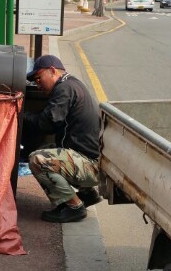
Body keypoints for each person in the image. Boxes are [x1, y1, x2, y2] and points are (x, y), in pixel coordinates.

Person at [23, 55, 102, 223]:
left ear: (52, 71)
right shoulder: (74, 83)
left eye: (39, 78)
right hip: (92, 159)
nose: (37, 84)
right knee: (47, 146)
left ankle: (74, 207)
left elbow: (47, 123)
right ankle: (88, 194)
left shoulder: (64, 88)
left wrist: (22, 116)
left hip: (89, 165)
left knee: (38, 159)